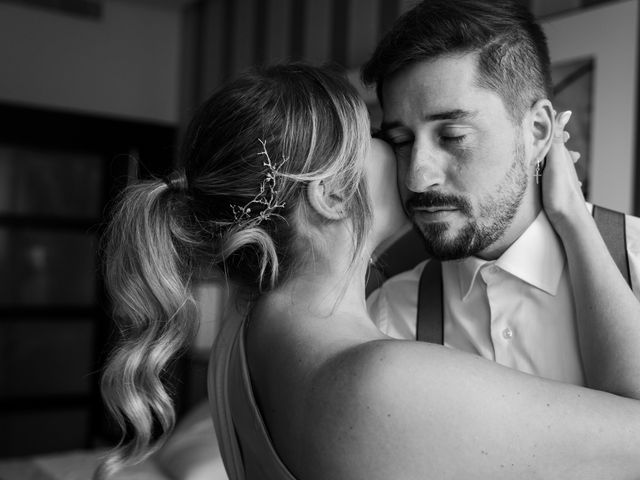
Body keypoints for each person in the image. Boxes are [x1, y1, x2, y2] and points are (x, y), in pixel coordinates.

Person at [97, 63, 640, 480]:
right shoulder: (385, 380)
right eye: (386, 139)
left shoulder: (238, 348)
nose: (416, 168)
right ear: (332, 193)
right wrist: (572, 216)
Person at [362, 0, 640, 384]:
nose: (416, 177)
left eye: (453, 136)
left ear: (538, 132)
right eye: (400, 141)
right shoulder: (389, 318)